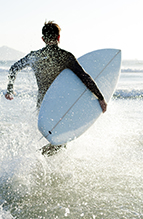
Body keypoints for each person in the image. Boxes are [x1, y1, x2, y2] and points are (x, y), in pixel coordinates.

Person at [5, 21, 107, 155]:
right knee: (61, 140)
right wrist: (100, 97)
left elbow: (13, 69)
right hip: (61, 104)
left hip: (42, 105)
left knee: (52, 138)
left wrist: (10, 89)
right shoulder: (65, 56)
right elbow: (84, 77)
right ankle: (37, 159)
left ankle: (36, 160)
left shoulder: (35, 56)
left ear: (43, 39)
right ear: (59, 37)